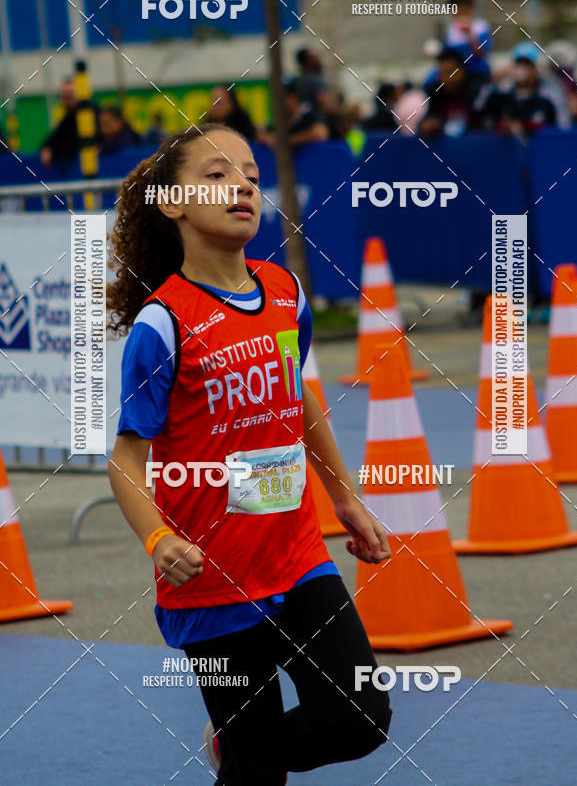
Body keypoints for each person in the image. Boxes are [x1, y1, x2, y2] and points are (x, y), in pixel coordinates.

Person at [107, 123, 392, 785]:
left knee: (360, 718)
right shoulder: (163, 324)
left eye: (251, 177)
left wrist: (345, 497)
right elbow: (125, 458)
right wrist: (157, 539)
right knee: (257, 775)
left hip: (298, 559)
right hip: (212, 584)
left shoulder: (285, 292)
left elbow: (299, 399)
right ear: (172, 203)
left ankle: (241, 753)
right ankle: (244, 757)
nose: (240, 185)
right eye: (216, 174)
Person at [420, 50, 488, 138]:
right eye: (442, 73)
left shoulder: (479, 89)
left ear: (463, 70)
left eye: (450, 72)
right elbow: (425, 122)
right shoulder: (435, 93)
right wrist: (428, 126)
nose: (447, 78)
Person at [40, 78, 98, 170]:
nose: (64, 101)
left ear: (82, 95)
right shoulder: (68, 118)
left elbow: (72, 145)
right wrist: (47, 147)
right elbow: (54, 138)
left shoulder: (93, 115)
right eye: (62, 97)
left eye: (68, 97)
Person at [444, 0, 492, 79]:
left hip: (477, 73)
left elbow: (481, 54)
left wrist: (470, 34)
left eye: (458, 9)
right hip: (457, 76)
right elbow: (447, 56)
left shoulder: (481, 26)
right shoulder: (451, 29)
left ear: (470, 8)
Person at [295, 47, 334, 115]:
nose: (319, 59)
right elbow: (326, 106)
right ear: (307, 62)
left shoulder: (302, 80)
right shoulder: (314, 80)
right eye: (314, 57)